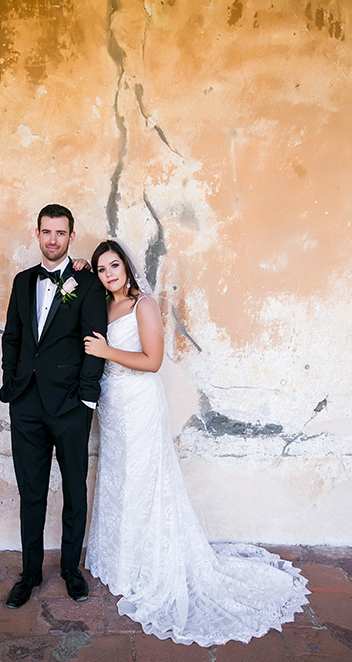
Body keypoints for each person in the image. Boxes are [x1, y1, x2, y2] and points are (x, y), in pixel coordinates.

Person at [83, 239, 309, 646]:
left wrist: (106, 350)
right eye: (101, 269)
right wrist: (81, 268)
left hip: (139, 403)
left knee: (142, 480)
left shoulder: (143, 304)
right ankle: (120, 562)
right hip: (112, 406)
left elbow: (152, 361)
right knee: (118, 480)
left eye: (114, 265)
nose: (109, 274)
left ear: (127, 267)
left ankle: (144, 566)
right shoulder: (104, 302)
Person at [0, 204, 107, 608]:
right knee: (32, 491)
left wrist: (86, 397)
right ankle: (29, 573)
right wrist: (12, 383)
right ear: (37, 233)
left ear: (71, 237)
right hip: (25, 403)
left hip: (70, 406)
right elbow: (12, 336)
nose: (52, 240)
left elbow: (94, 342)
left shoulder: (87, 282)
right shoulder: (23, 281)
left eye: (60, 233)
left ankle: (70, 570)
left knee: (75, 489)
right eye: (46, 232)